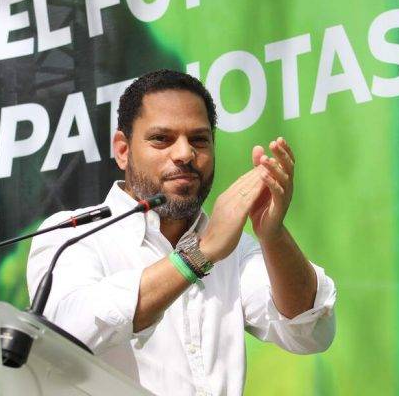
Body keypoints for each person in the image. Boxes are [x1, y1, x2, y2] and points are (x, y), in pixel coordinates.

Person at [26, 69, 336, 396]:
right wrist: (198, 256)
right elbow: (65, 333)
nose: (185, 154)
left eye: (199, 140)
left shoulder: (233, 248)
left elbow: (309, 331)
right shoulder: (72, 235)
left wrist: (272, 234)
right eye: (162, 139)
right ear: (122, 150)